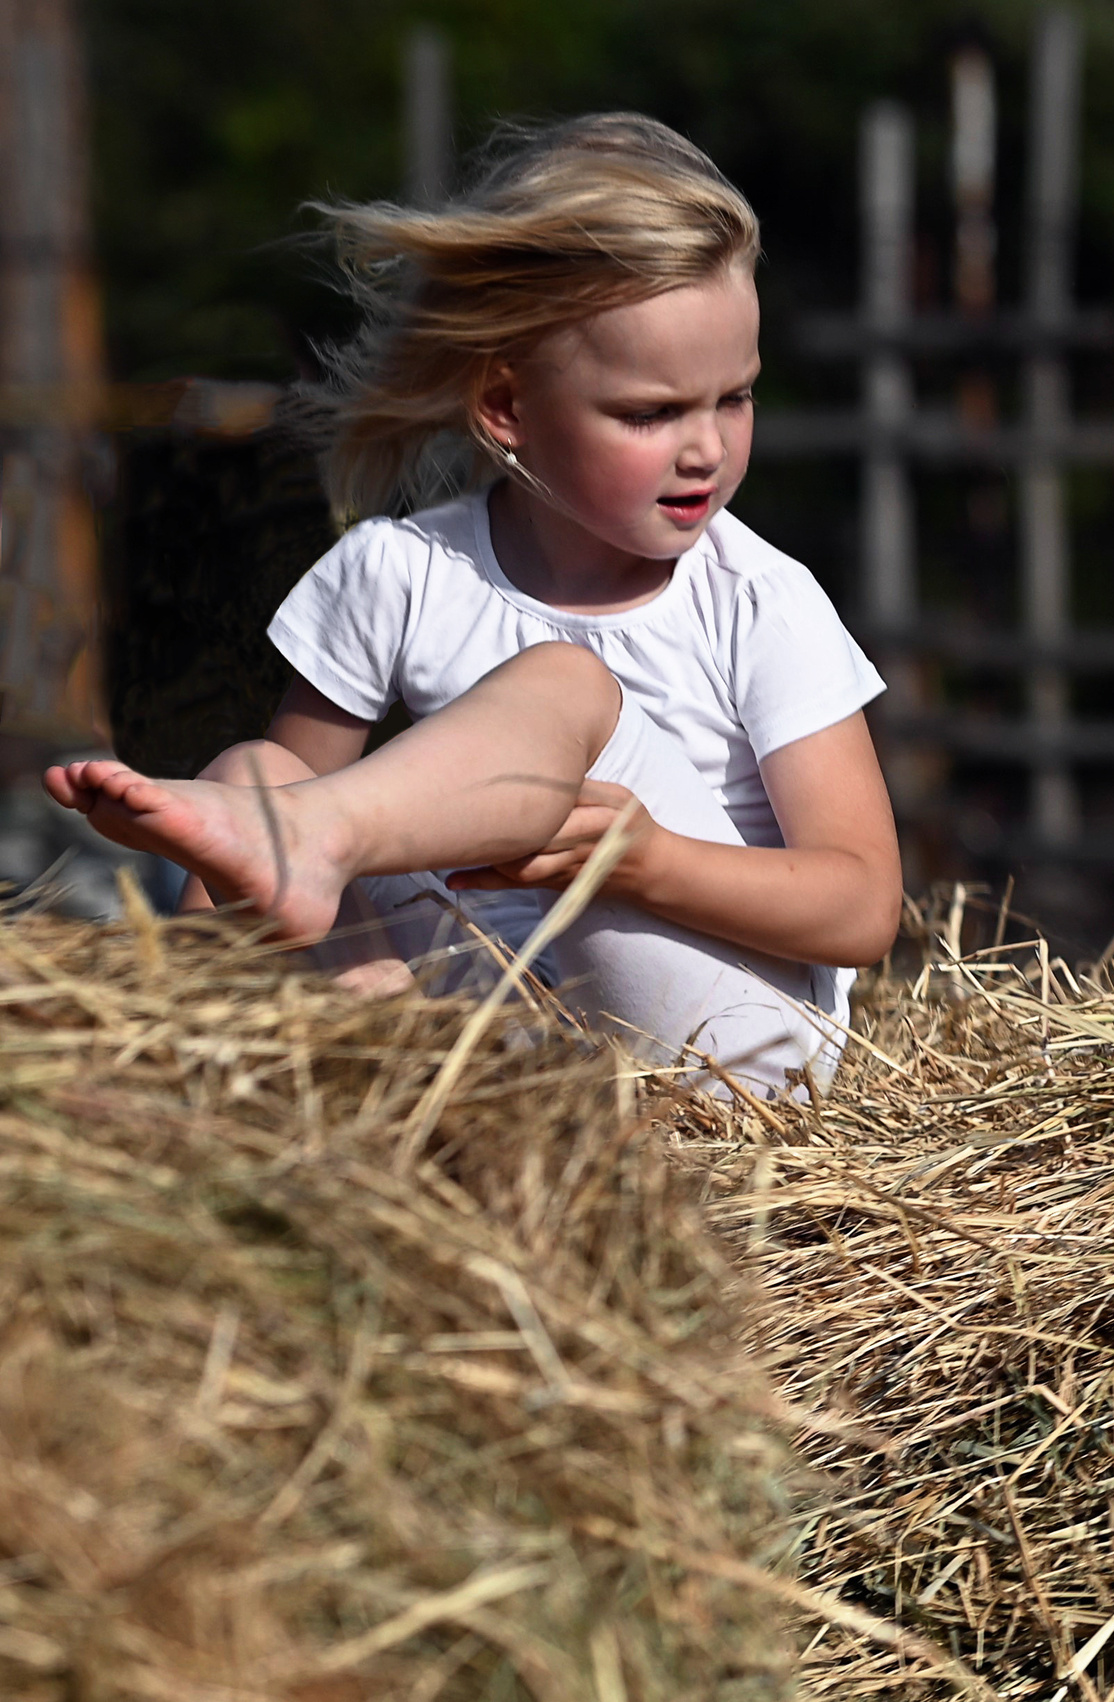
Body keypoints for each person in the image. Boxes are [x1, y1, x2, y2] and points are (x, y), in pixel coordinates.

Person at [46, 114, 901, 1094]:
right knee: (256, 775)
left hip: (724, 1053)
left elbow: (864, 906)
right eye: (651, 411)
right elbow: (283, 814)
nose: (705, 446)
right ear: (507, 408)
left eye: (734, 398)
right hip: (506, 1047)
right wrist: (266, 843)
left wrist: (646, 862)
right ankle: (188, 1064)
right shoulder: (399, 574)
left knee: (563, 688)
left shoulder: (759, 598)